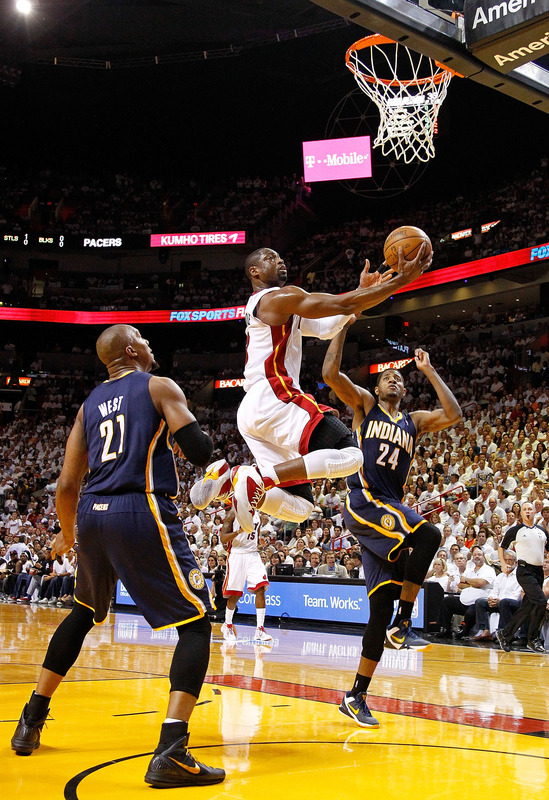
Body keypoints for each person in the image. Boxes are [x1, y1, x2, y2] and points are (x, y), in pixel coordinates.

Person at [10, 324, 225, 789]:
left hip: (92, 514)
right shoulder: (158, 386)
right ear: (131, 350)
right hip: (140, 507)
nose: (150, 344)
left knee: (82, 612)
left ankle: (30, 719)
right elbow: (200, 449)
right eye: (144, 338)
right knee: (195, 622)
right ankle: (172, 750)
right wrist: (177, 431)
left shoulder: (88, 406)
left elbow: (67, 485)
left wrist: (69, 536)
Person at [191, 245, 431, 533]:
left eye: (280, 256)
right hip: (274, 395)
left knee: (301, 507)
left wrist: (358, 292)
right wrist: (403, 279)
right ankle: (258, 476)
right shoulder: (277, 298)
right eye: (270, 258)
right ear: (254, 272)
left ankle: (231, 479)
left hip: (254, 411)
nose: (280, 260)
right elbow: (341, 305)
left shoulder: (282, 307)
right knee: (352, 455)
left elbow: (329, 326)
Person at [322, 319, 461, 727]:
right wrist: (344, 322)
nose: (395, 380)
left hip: (387, 508)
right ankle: (404, 624)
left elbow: (453, 414)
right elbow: (330, 373)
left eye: (400, 378)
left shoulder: (413, 421)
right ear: (378, 388)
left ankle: (356, 695)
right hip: (364, 500)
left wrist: (429, 370)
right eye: (388, 377)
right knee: (430, 533)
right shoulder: (364, 406)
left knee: (377, 609)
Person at [495, 501, 549, 653]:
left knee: (526, 608)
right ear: (521, 513)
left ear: (534, 512)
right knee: (540, 601)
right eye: (525, 509)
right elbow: (502, 547)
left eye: (530, 509)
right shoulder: (516, 530)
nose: (528, 511)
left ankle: (505, 634)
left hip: (538, 572)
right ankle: (532, 639)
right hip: (524, 570)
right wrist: (503, 563)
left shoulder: (541, 531)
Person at [218, 507, 273, 644]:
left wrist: (260, 543)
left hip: (253, 554)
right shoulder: (232, 513)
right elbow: (223, 538)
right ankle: (228, 624)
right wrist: (238, 531)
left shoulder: (258, 516)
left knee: (260, 588)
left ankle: (260, 629)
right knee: (235, 594)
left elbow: (254, 537)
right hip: (237, 554)